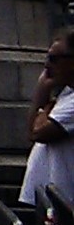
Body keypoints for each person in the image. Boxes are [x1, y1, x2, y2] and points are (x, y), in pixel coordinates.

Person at [23, 32, 74, 210]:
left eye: (54, 58)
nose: (47, 66)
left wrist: (41, 92)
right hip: (49, 201)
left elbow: (36, 133)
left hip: (65, 204)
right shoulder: (66, 95)